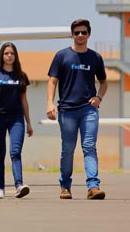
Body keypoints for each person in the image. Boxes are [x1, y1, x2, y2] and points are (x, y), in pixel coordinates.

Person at [46, 19, 107, 200]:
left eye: (83, 32)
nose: (80, 35)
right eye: (77, 32)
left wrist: (99, 97)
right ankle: (65, 186)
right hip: (67, 110)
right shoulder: (62, 56)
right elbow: (52, 80)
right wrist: (49, 103)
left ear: (88, 34)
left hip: (89, 110)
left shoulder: (95, 58)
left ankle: (93, 186)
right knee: (68, 148)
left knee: (89, 146)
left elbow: (103, 83)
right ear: (72, 35)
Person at [0, 42, 32, 199]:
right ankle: (1, 188)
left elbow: (24, 100)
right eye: (6, 53)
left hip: (16, 118)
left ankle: (19, 185)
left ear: (16, 55)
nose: (9, 56)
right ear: (2, 56)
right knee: (0, 153)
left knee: (15, 152)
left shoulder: (21, 75)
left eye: (12, 53)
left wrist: (29, 123)